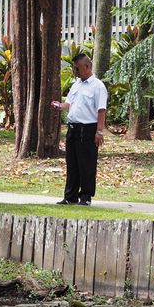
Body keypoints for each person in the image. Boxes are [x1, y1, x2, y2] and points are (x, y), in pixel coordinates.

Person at [51, 53, 108, 206]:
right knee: (72, 163)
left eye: (77, 69)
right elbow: (68, 104)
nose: (75, 72)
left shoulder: (98, 86)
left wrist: (99, 131)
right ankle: (70, 196)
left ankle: (86, 197)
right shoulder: (76, 84)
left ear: (87, 66)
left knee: (87, 164)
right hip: (73, 128)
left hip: (88, 129)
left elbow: (101, 110)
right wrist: (59, 106)